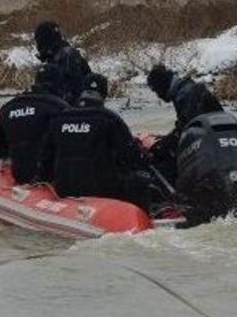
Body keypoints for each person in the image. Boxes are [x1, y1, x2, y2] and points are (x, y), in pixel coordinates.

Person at [38, 74, 167, 214]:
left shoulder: (58, 119)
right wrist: (146, 158)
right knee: (142, 179)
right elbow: (131, 157)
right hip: (101, 189)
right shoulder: (109, 119)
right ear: (104, 94)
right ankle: (151, 214)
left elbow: (46, 159)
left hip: (64, 187)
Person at [144, 64, 225, 183]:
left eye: (156, 90)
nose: (158, 96)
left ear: (162, 85)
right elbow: (186, 125)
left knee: (160, 157)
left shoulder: (184, 95)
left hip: (206, 145)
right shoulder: (189, 88)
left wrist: (162, 145)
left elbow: (185, 129)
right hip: (215, 141)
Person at [0, 63, 69, 184]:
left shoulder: (7, 108)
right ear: (59, 85)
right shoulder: (59, 107)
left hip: (20, 175)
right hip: (51, 178)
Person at [34, 21, 91, 104]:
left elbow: (70, 89)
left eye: (38, 41)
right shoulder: (63, 54)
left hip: (69, 112)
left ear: (43, 40)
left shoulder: (64, 57)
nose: (37, 46)